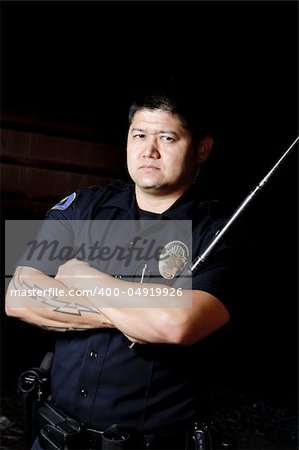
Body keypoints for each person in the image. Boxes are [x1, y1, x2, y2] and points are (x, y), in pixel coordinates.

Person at [5, 81, 239, 450]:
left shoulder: (219, 232)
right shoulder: (83, 206)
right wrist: (142, 314)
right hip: (52, 437)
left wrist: (76, 273)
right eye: (139, 135)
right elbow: (18, 295)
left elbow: (178, 325)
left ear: (202, 149)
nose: (149, 151)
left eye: (167, 138)